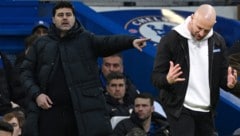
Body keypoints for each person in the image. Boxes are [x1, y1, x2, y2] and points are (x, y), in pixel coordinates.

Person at [20, 1, 148, 136]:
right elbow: (25, 72)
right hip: (49, 112)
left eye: (68, 14)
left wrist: (131, 41)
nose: (64, 17)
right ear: (53, 19)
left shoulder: (87, 39)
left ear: (74, 18)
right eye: (60, 15)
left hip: (81, 113)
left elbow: (109, 42)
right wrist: (37, 94)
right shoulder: (40, 44)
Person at [151, 4, 239, 136]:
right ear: (192, 18)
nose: (202, 33)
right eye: (199, 28)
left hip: (206, 111)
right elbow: (156, 77)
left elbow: (222, 79)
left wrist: (230, 84)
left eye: (207, 30)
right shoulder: (171, 40)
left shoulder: (218, 42)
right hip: (180, 109)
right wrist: (167, 79)